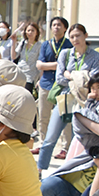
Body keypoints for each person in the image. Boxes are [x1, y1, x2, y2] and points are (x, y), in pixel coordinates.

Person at [37, 24, 99, 171]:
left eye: (78, 35)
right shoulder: (65, 54)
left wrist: (71, 75)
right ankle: (39, 170)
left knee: (77, 140)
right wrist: (81, 77)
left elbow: (92, 80)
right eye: (72, 36)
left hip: (83, 102)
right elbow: (60, 78)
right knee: (50, 138)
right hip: (64, 99)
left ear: (85, 35)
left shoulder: (96, 56)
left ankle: (71, 171)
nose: (75, 39)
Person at [36, 16, 72, 155]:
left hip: (62, 85)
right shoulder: (46, 44)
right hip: (45, 84)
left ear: (65, 28)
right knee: (43, 116)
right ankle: (42, 143)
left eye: (59, 25)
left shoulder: (69, 45)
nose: (56, 27)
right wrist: (58, 65)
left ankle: (65, 147)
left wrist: (49, 66)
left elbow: (68, 66)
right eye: (54, 25)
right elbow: (39, 64)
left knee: (64, 117)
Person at [15, 21, 42, 93]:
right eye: (28, 30)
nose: (30, 32)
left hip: (31, 76)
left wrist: (40, 78)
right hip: (19, 73)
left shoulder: (39, 45)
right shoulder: (23, 43)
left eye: (32, 30)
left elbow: (40, 61)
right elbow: (14, 56)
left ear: (37, 32)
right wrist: (13, 42)